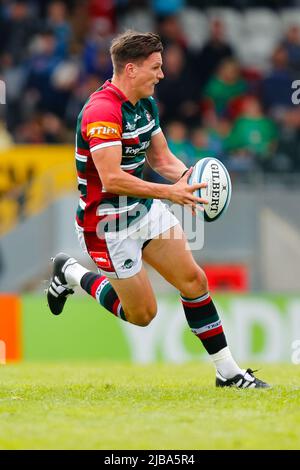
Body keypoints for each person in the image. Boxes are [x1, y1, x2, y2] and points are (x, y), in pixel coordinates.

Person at [47, 30, 269, 389]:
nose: (162, 75)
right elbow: (112, 178)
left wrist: (190, 183)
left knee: (194, 280)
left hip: (143, 210)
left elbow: (161, 157)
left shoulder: (145, 103)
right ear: (131, 69)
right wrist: (171, 193)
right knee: (142, 314)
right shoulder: (102, 111)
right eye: (156, 67)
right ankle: (70, 271)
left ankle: (227, 372)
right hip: (106, 226)